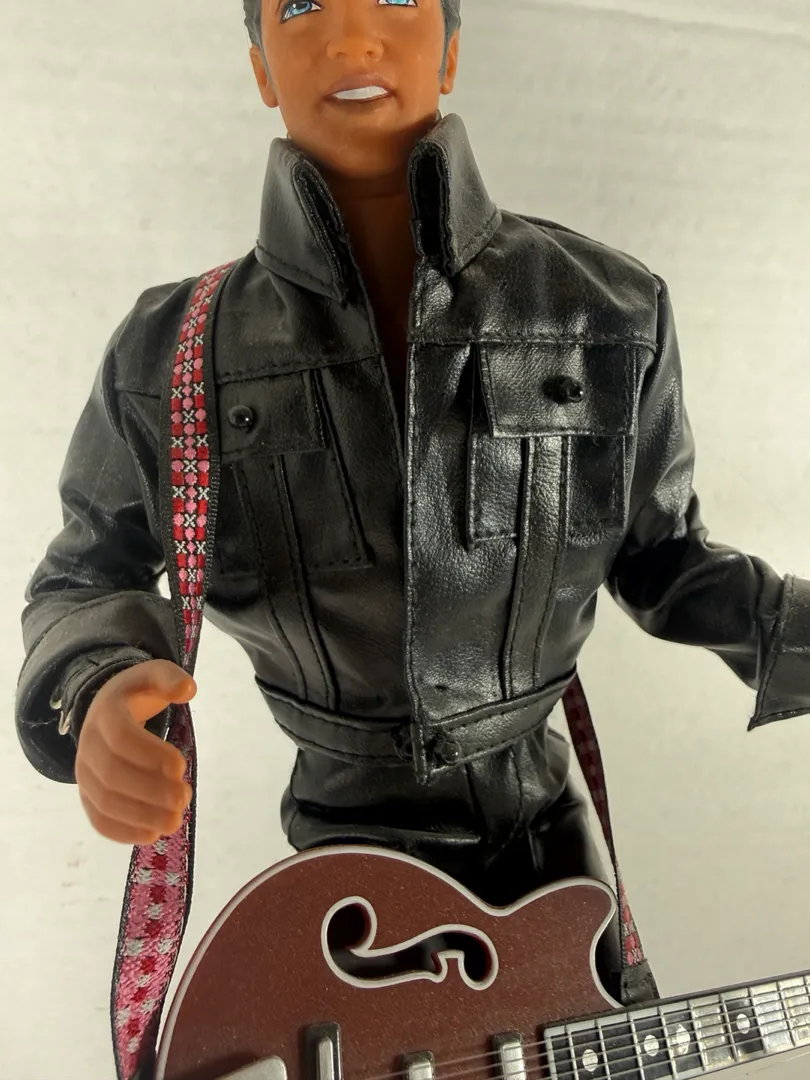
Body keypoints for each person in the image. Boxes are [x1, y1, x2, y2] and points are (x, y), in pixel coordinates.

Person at [15, 0, 810, 1008]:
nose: (353, 35)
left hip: (547, 850)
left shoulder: (604, 309)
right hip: (339, 877)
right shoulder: (174, 350)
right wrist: (95, 686)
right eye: (300, 5)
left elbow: (667, 563)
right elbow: (86, 571)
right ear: (260, 67)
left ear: (452, 48)